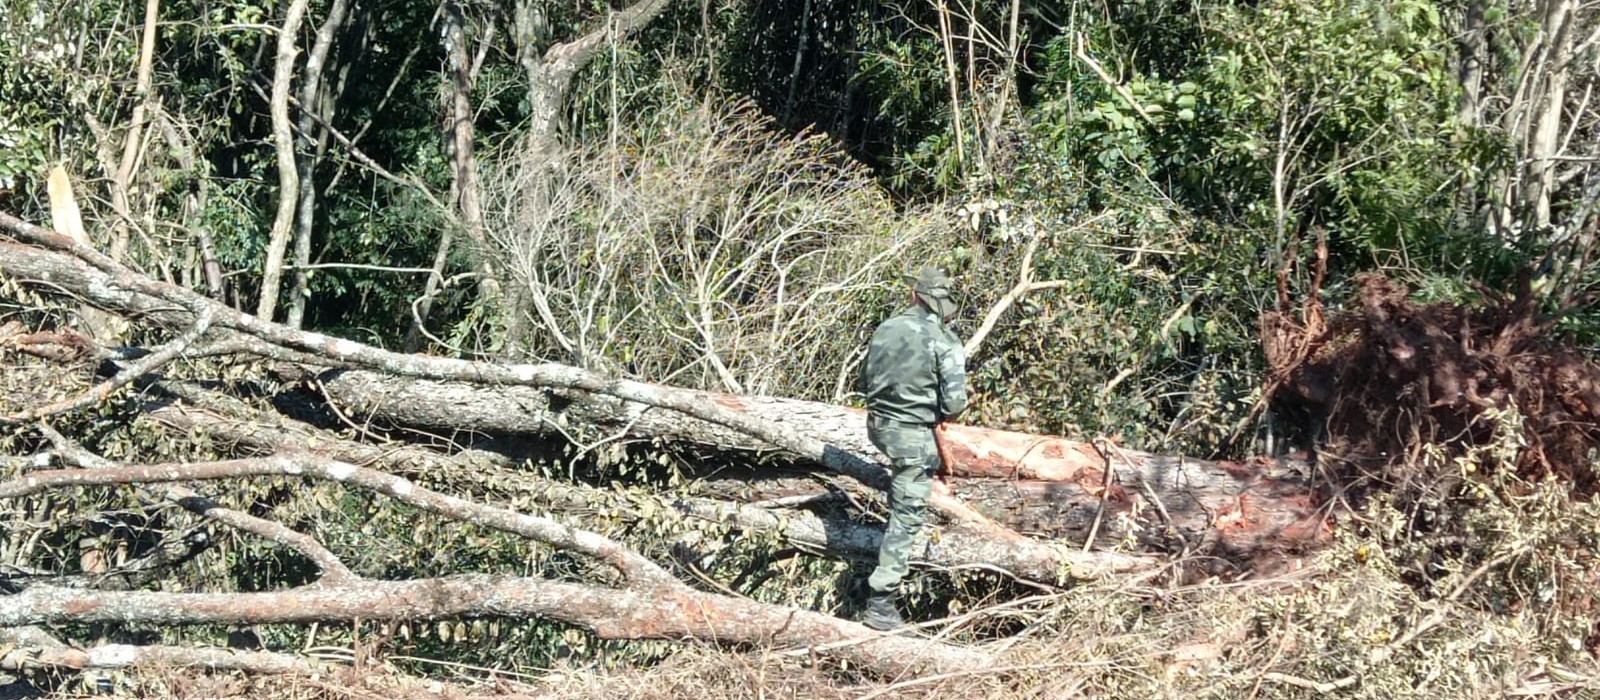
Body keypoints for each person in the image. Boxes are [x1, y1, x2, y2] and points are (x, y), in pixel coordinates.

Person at [856, 265, 968, 630]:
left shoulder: (884, 329)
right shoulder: (944, 340)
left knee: (907, 478)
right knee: (907, 515)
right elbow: (954, 404)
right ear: (939, 303)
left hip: (877, 426)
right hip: (910, 435)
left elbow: (864, 379)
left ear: (913, 295)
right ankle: (881, 601)